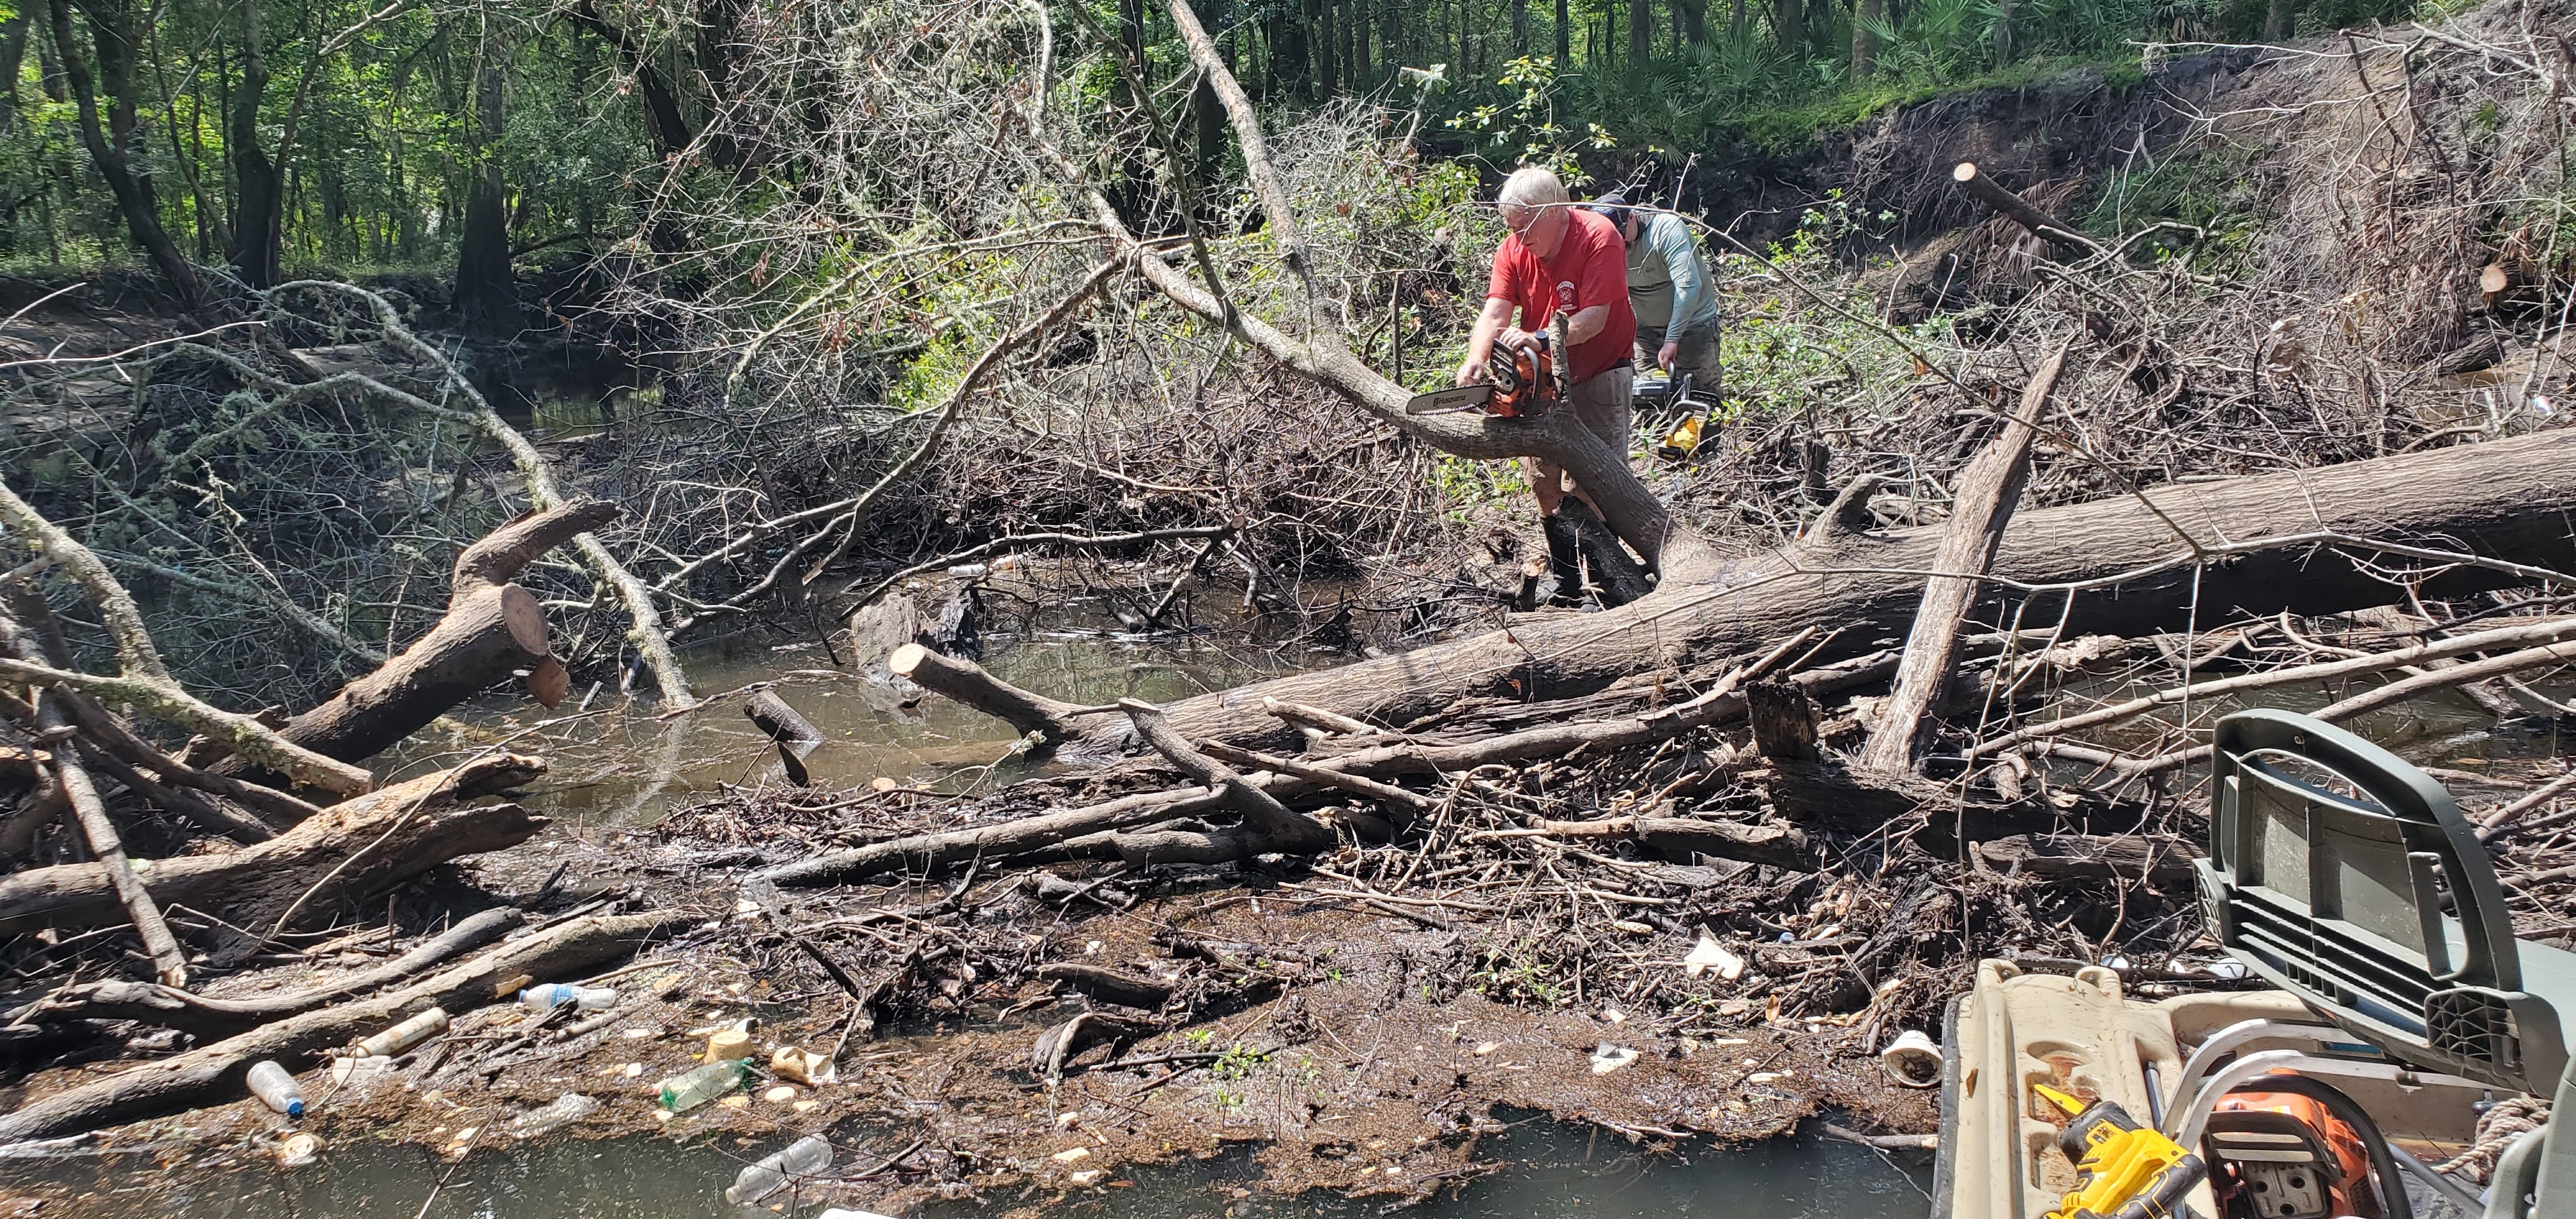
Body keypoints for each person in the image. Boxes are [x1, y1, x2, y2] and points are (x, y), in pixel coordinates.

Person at [1457, 167, 1638, 602]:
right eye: (1511, 227)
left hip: (1601, 367)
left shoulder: (1599, 236)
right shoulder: (1513, 249)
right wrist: (1476, 358)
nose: (1518, 238)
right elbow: (1497, 312)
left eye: (1526, 227)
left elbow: (1594, 319)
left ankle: (1601, 579)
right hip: (1543, 377)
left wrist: (1539, 336)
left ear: (1556, 210)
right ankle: (1566, 579)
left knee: (1597, 479)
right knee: (1543, 479)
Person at [1590, 190, 1721, 398]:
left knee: (1700, 399)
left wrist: (1672, 339)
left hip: (1694, 327)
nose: (1619, 244)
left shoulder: (1666, 229)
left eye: (1621, 235)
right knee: (1647, 397)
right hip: (1646, 334)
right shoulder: (1601, 245)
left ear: (1631, 217)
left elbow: (1688, 285)